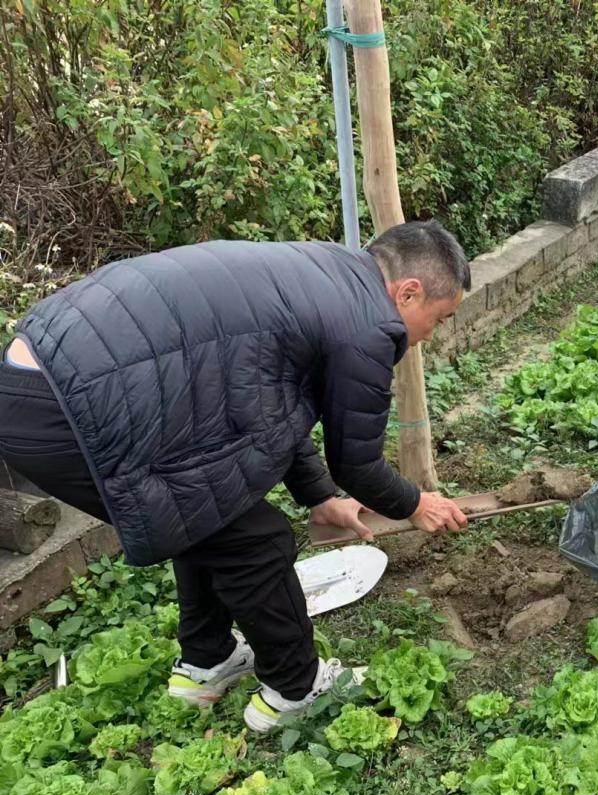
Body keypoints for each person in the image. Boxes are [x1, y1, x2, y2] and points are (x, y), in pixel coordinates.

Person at [0, 221, 471, 730]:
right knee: (255, 540)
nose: (428, 336)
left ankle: (207, 661)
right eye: (439, 318)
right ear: (408, 291)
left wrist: (318, 496)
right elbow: (356, 464)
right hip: (76, 411)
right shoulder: (370, 325)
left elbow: (265, 408)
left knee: (203, 515)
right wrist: (416, 504)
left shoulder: (322, 272)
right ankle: (296, 687)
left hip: (37, 378)